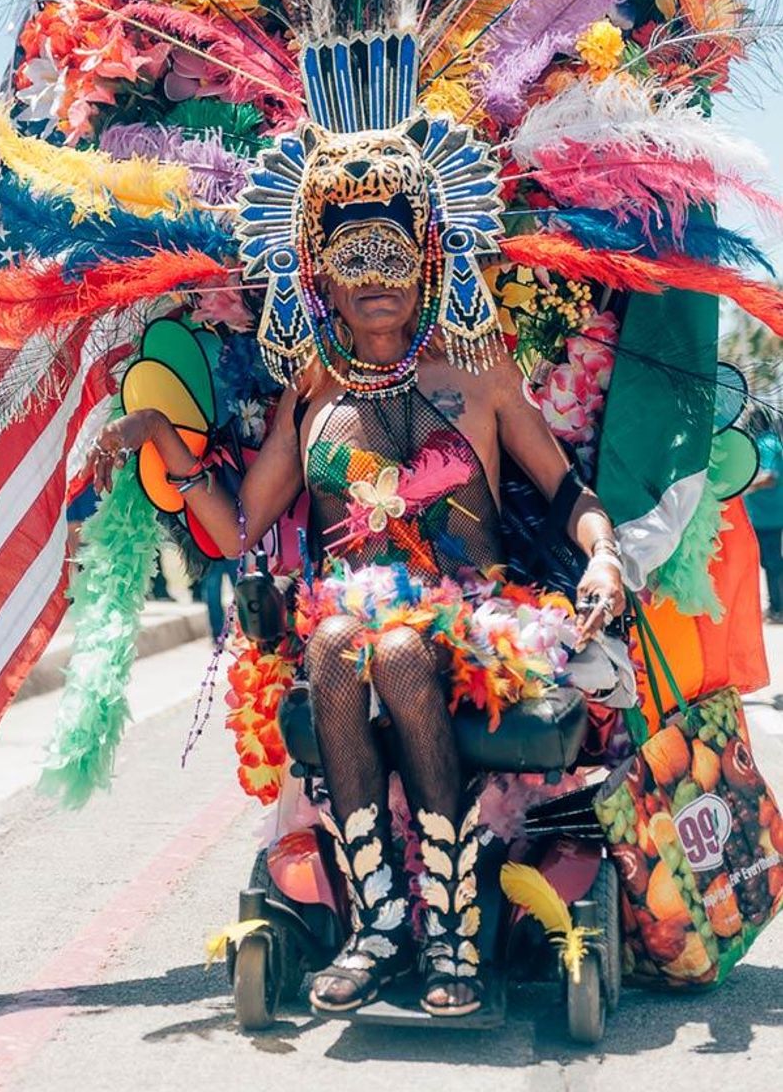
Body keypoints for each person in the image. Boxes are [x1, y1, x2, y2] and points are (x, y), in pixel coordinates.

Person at [87, 259, 624, 1018]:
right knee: (337, 640)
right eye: (355, 257)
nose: (379, 273)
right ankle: (381, 920)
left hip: (470, 620)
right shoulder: (311, 386)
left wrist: (603, 554)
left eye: (393, 251)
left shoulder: (481, 370)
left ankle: (449, 920)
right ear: (324, 279)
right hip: (352, 621)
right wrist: (158, 438)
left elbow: (567, 491)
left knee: (401, 649)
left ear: (428, 263)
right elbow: (240, 527)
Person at [744, 412, 783, 622]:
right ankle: (776, 607)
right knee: (771, 562)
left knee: (772, 563)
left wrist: (742, 489)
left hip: (767, 517)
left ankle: (778, 608)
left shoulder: (767, 444)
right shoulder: (769, 442)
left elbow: (769, 477)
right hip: (767, 515)